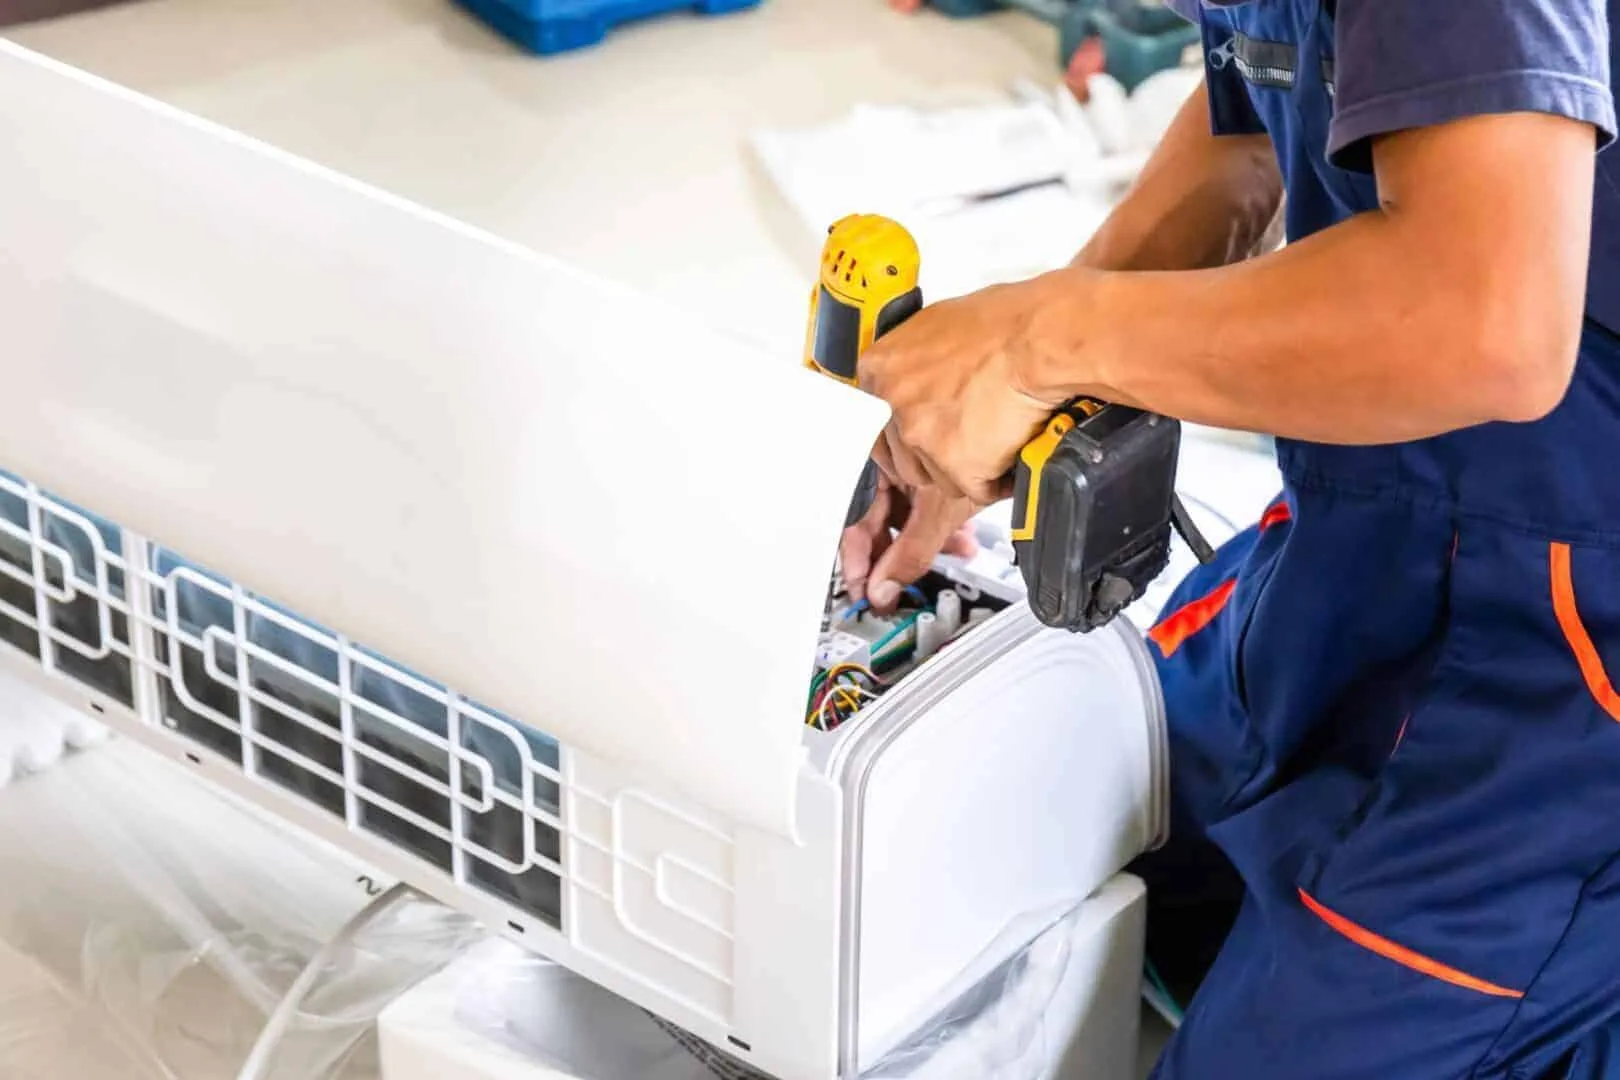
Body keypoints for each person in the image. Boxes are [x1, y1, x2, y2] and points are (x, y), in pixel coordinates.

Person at [845, 2, 1620, 1077]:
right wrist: (1003, 401)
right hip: (1375, 536)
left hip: (1575, 679)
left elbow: (1485, 315)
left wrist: (1040, 340)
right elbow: (1252, 120)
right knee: (1053, 837)